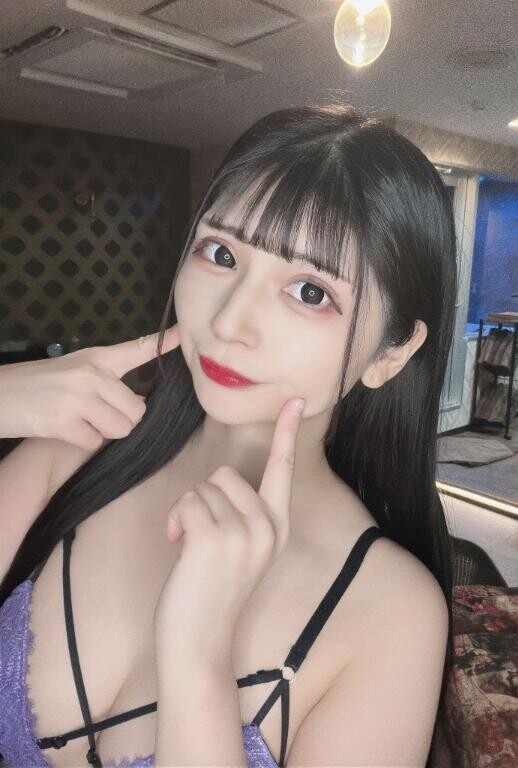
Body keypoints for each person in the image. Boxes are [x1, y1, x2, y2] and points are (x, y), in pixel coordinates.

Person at [0, 103, 457, 768]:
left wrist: (197, 651)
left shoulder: (393, 612)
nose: (230, 321)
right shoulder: (74, 451)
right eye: (221, 253)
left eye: (310, 291)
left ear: (392, 352)